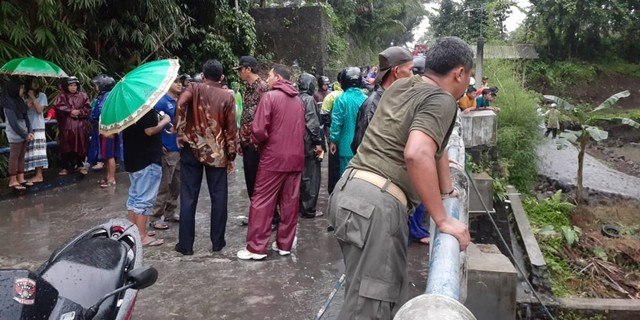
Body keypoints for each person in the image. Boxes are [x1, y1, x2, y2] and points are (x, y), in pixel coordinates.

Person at [327, 37, 472, 319]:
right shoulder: (442, 100)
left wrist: (447, 190)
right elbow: (417, 153)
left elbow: (436, 149)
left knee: (368, 294)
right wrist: (442, 219)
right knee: (370, 307)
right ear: (459, 73)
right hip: (376, 206)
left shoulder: (403, 85)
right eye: (469, 76)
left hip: (348, 191)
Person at [237, 64, 305, 260]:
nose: (267, 78)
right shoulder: (298, 101)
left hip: (273, 158)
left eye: (269, 75)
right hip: (296, 158)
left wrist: (256, 144)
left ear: (277, 78)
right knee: (290, 202)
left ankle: (256, 248)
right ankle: (284, 244)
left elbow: (258, 130)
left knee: (262, 201)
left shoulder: (269, 97)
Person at [174, 60, 237, 256]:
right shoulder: (227, 96)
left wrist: (180, 131)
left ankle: (185, 245)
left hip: (191, 148)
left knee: (188, 196)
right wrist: (231, 155)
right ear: (222, 77)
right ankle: (217, 242)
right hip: (217, 153)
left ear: (202, 74)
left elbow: (180, 104)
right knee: (219, 197)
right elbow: (231, 129)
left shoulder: (193, 88)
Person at [122, 106, 171, 248]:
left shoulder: (127, 109)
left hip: (133, 158)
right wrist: (164, 121)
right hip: (147, 159)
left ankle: (134, 231)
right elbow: (149, 130)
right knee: (144, 199)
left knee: (134, 197)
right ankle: (142, 236)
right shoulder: (145, 108)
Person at [351, 46, 414, 153]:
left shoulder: (399, 100)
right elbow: (360, 146)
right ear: (397, 71)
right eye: (410, 70)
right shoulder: (373, 105)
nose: (413, 76)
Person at [150, 77, 183, 230]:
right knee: (165, 183)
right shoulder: (161, 102)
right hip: (167, 148)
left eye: (181, 82)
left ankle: (170, 212)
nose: (180, 84)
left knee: (177, 183)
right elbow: (153, 125)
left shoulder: (178, 101)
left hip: (178, 148)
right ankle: (156, 216)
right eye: (176, 81)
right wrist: (159, 144)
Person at [329, 67, 366, 176]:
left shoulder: (341, 99)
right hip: (363, 146)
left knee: (345, 176)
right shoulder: (367, 98)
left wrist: (333, 140)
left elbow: (336, 123)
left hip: (346, 145)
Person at [297, 73, 324, 219]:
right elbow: (313, 123)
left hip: (298, 143)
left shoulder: (295, 98)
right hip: (309, 143)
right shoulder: (308, 100)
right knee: (312, 177)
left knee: (301, 176)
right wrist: (318, 143)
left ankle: (301, 206)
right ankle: (309, 209)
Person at [53, 76, 91, 176]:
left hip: (80, 126)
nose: (73, 87)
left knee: (81, 145)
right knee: (66, 146)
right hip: (67, 126)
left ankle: (80, 165)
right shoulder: (61, 96)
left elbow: (88, 108)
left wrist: (80, 112)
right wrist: (69, 111)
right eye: (71, 85)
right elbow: (58, 107)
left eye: (75, 85)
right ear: (66, 86)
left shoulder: (83, 95)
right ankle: (64, 166)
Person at [88, 74, 121, 188]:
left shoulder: (107, 97)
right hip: (105, 129)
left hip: (107, 130)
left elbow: (100, 112)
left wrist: (92, 117)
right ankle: (108, 176)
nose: (96, 87)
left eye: (97, 85)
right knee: (106, 154)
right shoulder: (107, 96)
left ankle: (111, 179)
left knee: (109, 154)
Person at [1, 81, 33, 190]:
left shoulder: (20, 101)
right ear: (13, 90)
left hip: (24, 133)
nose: (22, 90)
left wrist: (30, 131)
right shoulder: (8, 105)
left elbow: (26, 117)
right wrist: (25, 134)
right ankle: (12, 180)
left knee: (21, 156)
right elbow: (13, 123)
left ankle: (21, 178)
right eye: (20, 88)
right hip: (15, 134)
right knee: (14, 157)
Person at [23, 78, 48, 184]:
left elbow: (39, 110)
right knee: (27, 151)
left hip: (38, 126)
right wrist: (27, 103)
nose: (35, 85)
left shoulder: (42, 95)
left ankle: (39, 175)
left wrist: (33, 97)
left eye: (37, 83)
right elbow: (22, 110)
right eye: (33, 82)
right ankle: (24, 175)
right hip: (25, 126)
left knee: (38, 151)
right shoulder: (23, 96)